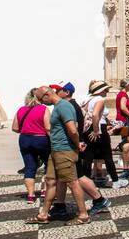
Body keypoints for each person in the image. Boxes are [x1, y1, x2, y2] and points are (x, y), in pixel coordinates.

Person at [36, 83, 109, 224]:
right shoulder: (59, 107)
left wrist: (77, 143)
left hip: (64, 150)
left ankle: (83, 215)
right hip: (56, 149)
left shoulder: (63, 106)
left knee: (73, 182)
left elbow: (72, 129)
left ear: (47, 95)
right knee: (50, 181)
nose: (41, 103)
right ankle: (43, 214)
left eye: (41, 99)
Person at [81, 80, 125, 189]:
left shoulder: (87, 99)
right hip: (98, 128)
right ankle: (115, 181)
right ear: (100, 91)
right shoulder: (99, 99)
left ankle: (86, 181)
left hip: (88, 128)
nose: (107, 91)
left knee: (88, 155)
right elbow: (96, 114)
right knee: (107, 155)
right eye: (106, 90)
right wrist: (96, 130)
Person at [12, 86, 52, 204]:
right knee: (48, 164)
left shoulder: (21, 109)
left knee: (29, 167)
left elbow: (14, 127)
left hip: (24, 139)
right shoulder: (43, 109)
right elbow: (48, 127)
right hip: (41, 139)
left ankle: (30, 195)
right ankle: (45, 190)